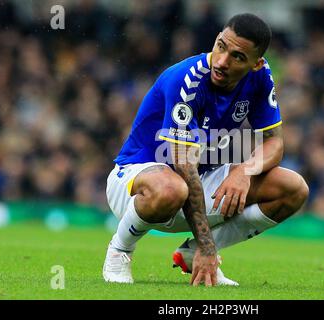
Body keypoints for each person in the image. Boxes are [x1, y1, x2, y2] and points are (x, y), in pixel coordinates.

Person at [103, 13, 309, 286]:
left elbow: (275, 142)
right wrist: (209, 245)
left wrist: (245, 172)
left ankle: (192, 252)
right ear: (216, 39)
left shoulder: (261, 77)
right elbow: (183, 168)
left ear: (256, 64)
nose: (222, 61)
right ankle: (120, 249)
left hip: (199, 180)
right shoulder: (186, 80)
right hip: (137, 181)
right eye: (221, 46)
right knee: (172, 188)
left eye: (237, 56)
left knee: (293, 188)